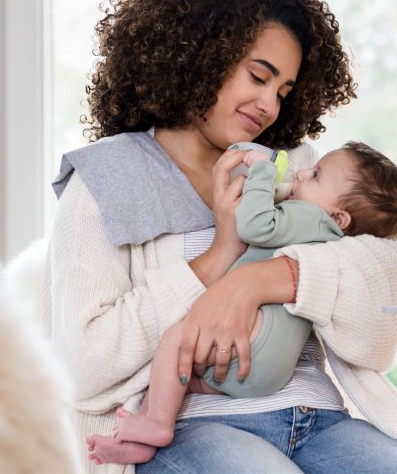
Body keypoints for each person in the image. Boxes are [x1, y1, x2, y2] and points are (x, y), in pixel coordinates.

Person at [42, 0, 397, 474]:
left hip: (317, 415)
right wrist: (218, 258)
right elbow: (84, 365)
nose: (270, 105)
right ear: (199, 56)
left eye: (284, 91)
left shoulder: (298, 168)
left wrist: (259, 281)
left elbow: (384, 286)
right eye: (258, 75)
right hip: (191, 427)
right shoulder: (105, 181)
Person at [98, 142, 397, 464]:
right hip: (268, 372)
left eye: (313, 176)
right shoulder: (328, 233)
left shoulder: (308, 215)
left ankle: (155, 421)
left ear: (339, 218)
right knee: (186, 368)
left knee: (175, 343)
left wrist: (264, 174)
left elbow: (255, 225)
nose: (298, 175)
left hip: (257, 356)